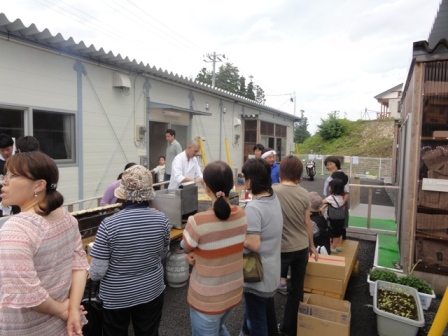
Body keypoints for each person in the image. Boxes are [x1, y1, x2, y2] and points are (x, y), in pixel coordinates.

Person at [0, 151, 89, 335]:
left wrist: (64, 310)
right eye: (5, 174)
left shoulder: (16, 230)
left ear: (39, 185)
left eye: (12, 175)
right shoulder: (66, 218)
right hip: (59, 326)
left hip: (26, 327)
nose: (4, 181)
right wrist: (73, 310)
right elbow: (80, 265)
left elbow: (28, 293)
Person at [89, 165, 170, 336]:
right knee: (148, 332)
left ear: (124, 194)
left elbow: (96, 273)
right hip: (152, 289)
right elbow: (163, 253)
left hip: (116, 296)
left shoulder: (108, 225)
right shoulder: (162, 219)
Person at [181, 160, 247, 335]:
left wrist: (193, 252)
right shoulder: (241, 215)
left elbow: (185, 246)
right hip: (232, 292)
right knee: (218, 328)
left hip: (207, 299)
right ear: (231, 184)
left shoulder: (198, 221)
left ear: (206, 188)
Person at [272, 155, 318, 336]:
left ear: (282, 171)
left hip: (281, 248)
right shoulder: (304, 194)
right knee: (296, 290)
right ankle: (289, 329)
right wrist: (312, 246)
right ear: (299, 172)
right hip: (300, 247)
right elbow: (308, 223)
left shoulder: (274, 190)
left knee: (268, 289)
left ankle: (268, 327)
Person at [239, 158, 283, 336]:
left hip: (257, 276)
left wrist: (234, 237)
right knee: (262, 314)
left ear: (249, 182)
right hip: (271, 272)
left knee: (256, 322)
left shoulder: (254, 208)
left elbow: (253, 244)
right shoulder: (273, 198)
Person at [323, 156, 350, 238]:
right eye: (327, 165)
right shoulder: (334, 175)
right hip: (333, 203)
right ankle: (337, 243)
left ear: (337, 164)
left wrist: (340, 204)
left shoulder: (340, 175)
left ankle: (337, 244)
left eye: (331, 164)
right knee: (337, 223)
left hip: (337, 204)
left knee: (337, 224)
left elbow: (346, 192)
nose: (329, 166)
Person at [320, 178, 346, 254]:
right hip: (341, 217)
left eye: (329, 187)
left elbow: (323, 201)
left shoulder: (331, 198)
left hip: (334, 219)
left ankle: (333, 248)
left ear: (333, 188)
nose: (328, 188)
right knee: (339, 232)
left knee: (334, 234)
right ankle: (339, 246)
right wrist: (323, 208)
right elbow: (329, 203)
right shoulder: (340, 197)